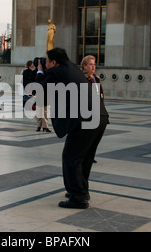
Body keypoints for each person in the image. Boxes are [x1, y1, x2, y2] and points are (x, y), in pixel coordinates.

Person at [36, 48, 109, 209]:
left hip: (85, 118)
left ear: (54, 62)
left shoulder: (56, 72)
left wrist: (40, 72)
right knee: (85, 157)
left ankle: (78, 197)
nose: (45, 64)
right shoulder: (73, 68)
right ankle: (81, 190)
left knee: (71, 157)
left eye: (46, 61)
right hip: (100, 115)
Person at [81, 55, 108, 163]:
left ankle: (91, 155)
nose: (93, 67)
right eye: (90, 64)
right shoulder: (83, 79)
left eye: (94, 64)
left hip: (98, 110)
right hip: (88, 110)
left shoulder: (96, 78)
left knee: (95, 136)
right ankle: (84, 155)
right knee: (86, 137)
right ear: (84, 66)